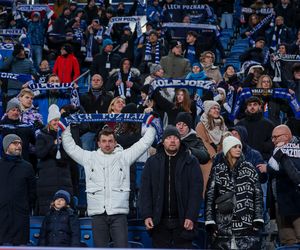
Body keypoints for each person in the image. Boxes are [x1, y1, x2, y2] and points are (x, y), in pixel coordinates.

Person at [62, 116, 157, 248]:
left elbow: (144, 143)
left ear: (115, 142)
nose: (107, 144)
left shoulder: (124, 157)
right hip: (98, 215)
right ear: (98, 143)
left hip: (119, 215)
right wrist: (65, 128)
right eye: (104, 141)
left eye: (110, 141)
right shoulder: (90, 158)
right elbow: (70, 147)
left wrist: (150, 126)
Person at [139, 125, 203, 248]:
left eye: (175, 138)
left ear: (180, 141)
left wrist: (191, 216)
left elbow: (196, 191)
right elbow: (145, 191)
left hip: (183, 221)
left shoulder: (191, 161)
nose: (172, 141)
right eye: (169, 138)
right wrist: (147, 215)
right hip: (159, 222)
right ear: (163, 142)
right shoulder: (152, 162)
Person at [205, 136, 264, 249]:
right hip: (223, 225)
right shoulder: (218, 170)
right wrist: (210, 221)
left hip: (246, 225)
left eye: (239, 147)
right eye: (234, 147)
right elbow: (210, 196)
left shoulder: (249, 168)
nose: (238, 149)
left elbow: (258, 195)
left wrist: (258, 218)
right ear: (227, 149)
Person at [257, 125, 300, 246]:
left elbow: (291, 170)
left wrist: (268, 169)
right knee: (287, 242)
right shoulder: (277, 150)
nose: (273, 141)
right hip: (280, 203)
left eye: (276, 137)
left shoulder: (297, 148)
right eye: (272, 138)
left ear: (286, 136)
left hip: (296, 202)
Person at [36, 104, 73, 215]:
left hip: (63, 178)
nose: (57, 123)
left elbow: (67, 157)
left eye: (58, 120)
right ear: (49, 121)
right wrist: (53, 145)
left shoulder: (66, 136)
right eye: (54, 120)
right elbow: (40, 153)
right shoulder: (41, 135)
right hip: (47, 180)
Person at [0, 134, 36, 245]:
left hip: (20, 216)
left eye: (20, 143)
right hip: (2, 216)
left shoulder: (27, 167)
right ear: (6, 146)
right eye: (15, 143)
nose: (18, 146)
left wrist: (24, 207)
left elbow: (32, 193)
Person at [196, 100, 228, 193]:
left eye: (218, 108)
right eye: (214, 108)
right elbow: (202, 141)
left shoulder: (222, 124)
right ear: (208, 110)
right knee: (207, 189)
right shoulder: (201, 125)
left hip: (222, 161)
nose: (217, 110)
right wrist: (214, 155)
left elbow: (225, 139)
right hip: (208, 161)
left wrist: (222, 154)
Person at [80, 74, 113, 150]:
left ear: (102, 82)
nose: (95, 82)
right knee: (86, 150)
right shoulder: (83, 97)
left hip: (104, 129)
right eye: (93, 80)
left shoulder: (109, 96)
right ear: (90, 82)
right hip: (88, 130)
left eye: (98, 80)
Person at [237, 96, 274, 161]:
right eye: (249, 105)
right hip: (243, 159)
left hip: (263, 159)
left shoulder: (268, 124)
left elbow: (274, 141)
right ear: (247, 107)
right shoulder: (240, 124)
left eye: (255, 104)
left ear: (260, 106)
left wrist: (263, 147)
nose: (252, 107)